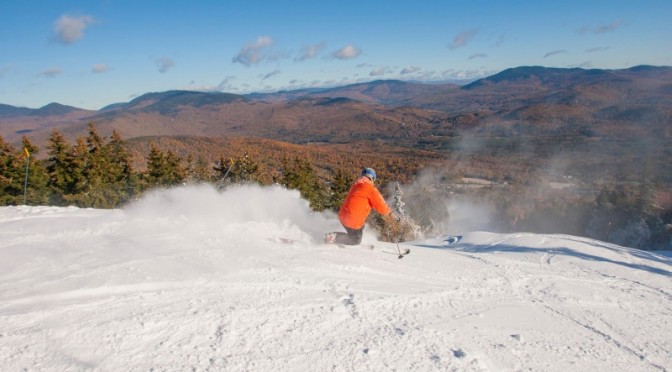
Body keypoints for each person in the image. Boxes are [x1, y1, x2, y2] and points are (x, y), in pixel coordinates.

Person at [325, 167, 397, 245]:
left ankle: (334, 237)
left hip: (343, 216)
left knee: (359, 229)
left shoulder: (356, 185)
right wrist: (390, 214)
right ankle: (334, 237)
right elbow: (382, 206)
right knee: (355, 241)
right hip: (353, 220)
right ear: (372, 178)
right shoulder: (371, 189)